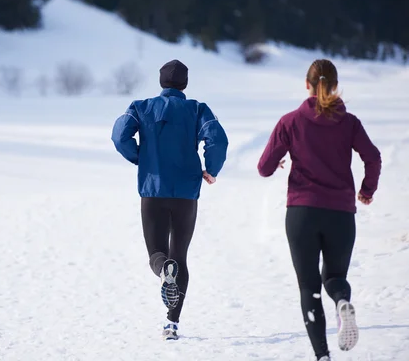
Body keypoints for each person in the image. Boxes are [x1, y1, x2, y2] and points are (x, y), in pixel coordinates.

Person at [257, 59, 381, 361]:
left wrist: (281, 162)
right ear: (335, 86)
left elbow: (263, 167)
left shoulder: (290, 122)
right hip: (340, 214)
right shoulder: (349, 123)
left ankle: (322, 356)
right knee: (335, 277)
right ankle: (341, 302)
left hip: (302, 213)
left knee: (309, 287)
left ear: (307, 84)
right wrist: (366, 191)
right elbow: (373, 157)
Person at [111, 59, 229, 340]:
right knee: (181, 257)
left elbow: (119, 136)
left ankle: (164, 269)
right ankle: (172, 324)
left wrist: (141, 158)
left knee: (156, 254)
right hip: (186, 193)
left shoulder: (141, 107)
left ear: (161, 81)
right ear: (184, 84)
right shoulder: (197, 109)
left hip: (153, 190)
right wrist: (211, 169)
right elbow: (217, 139)